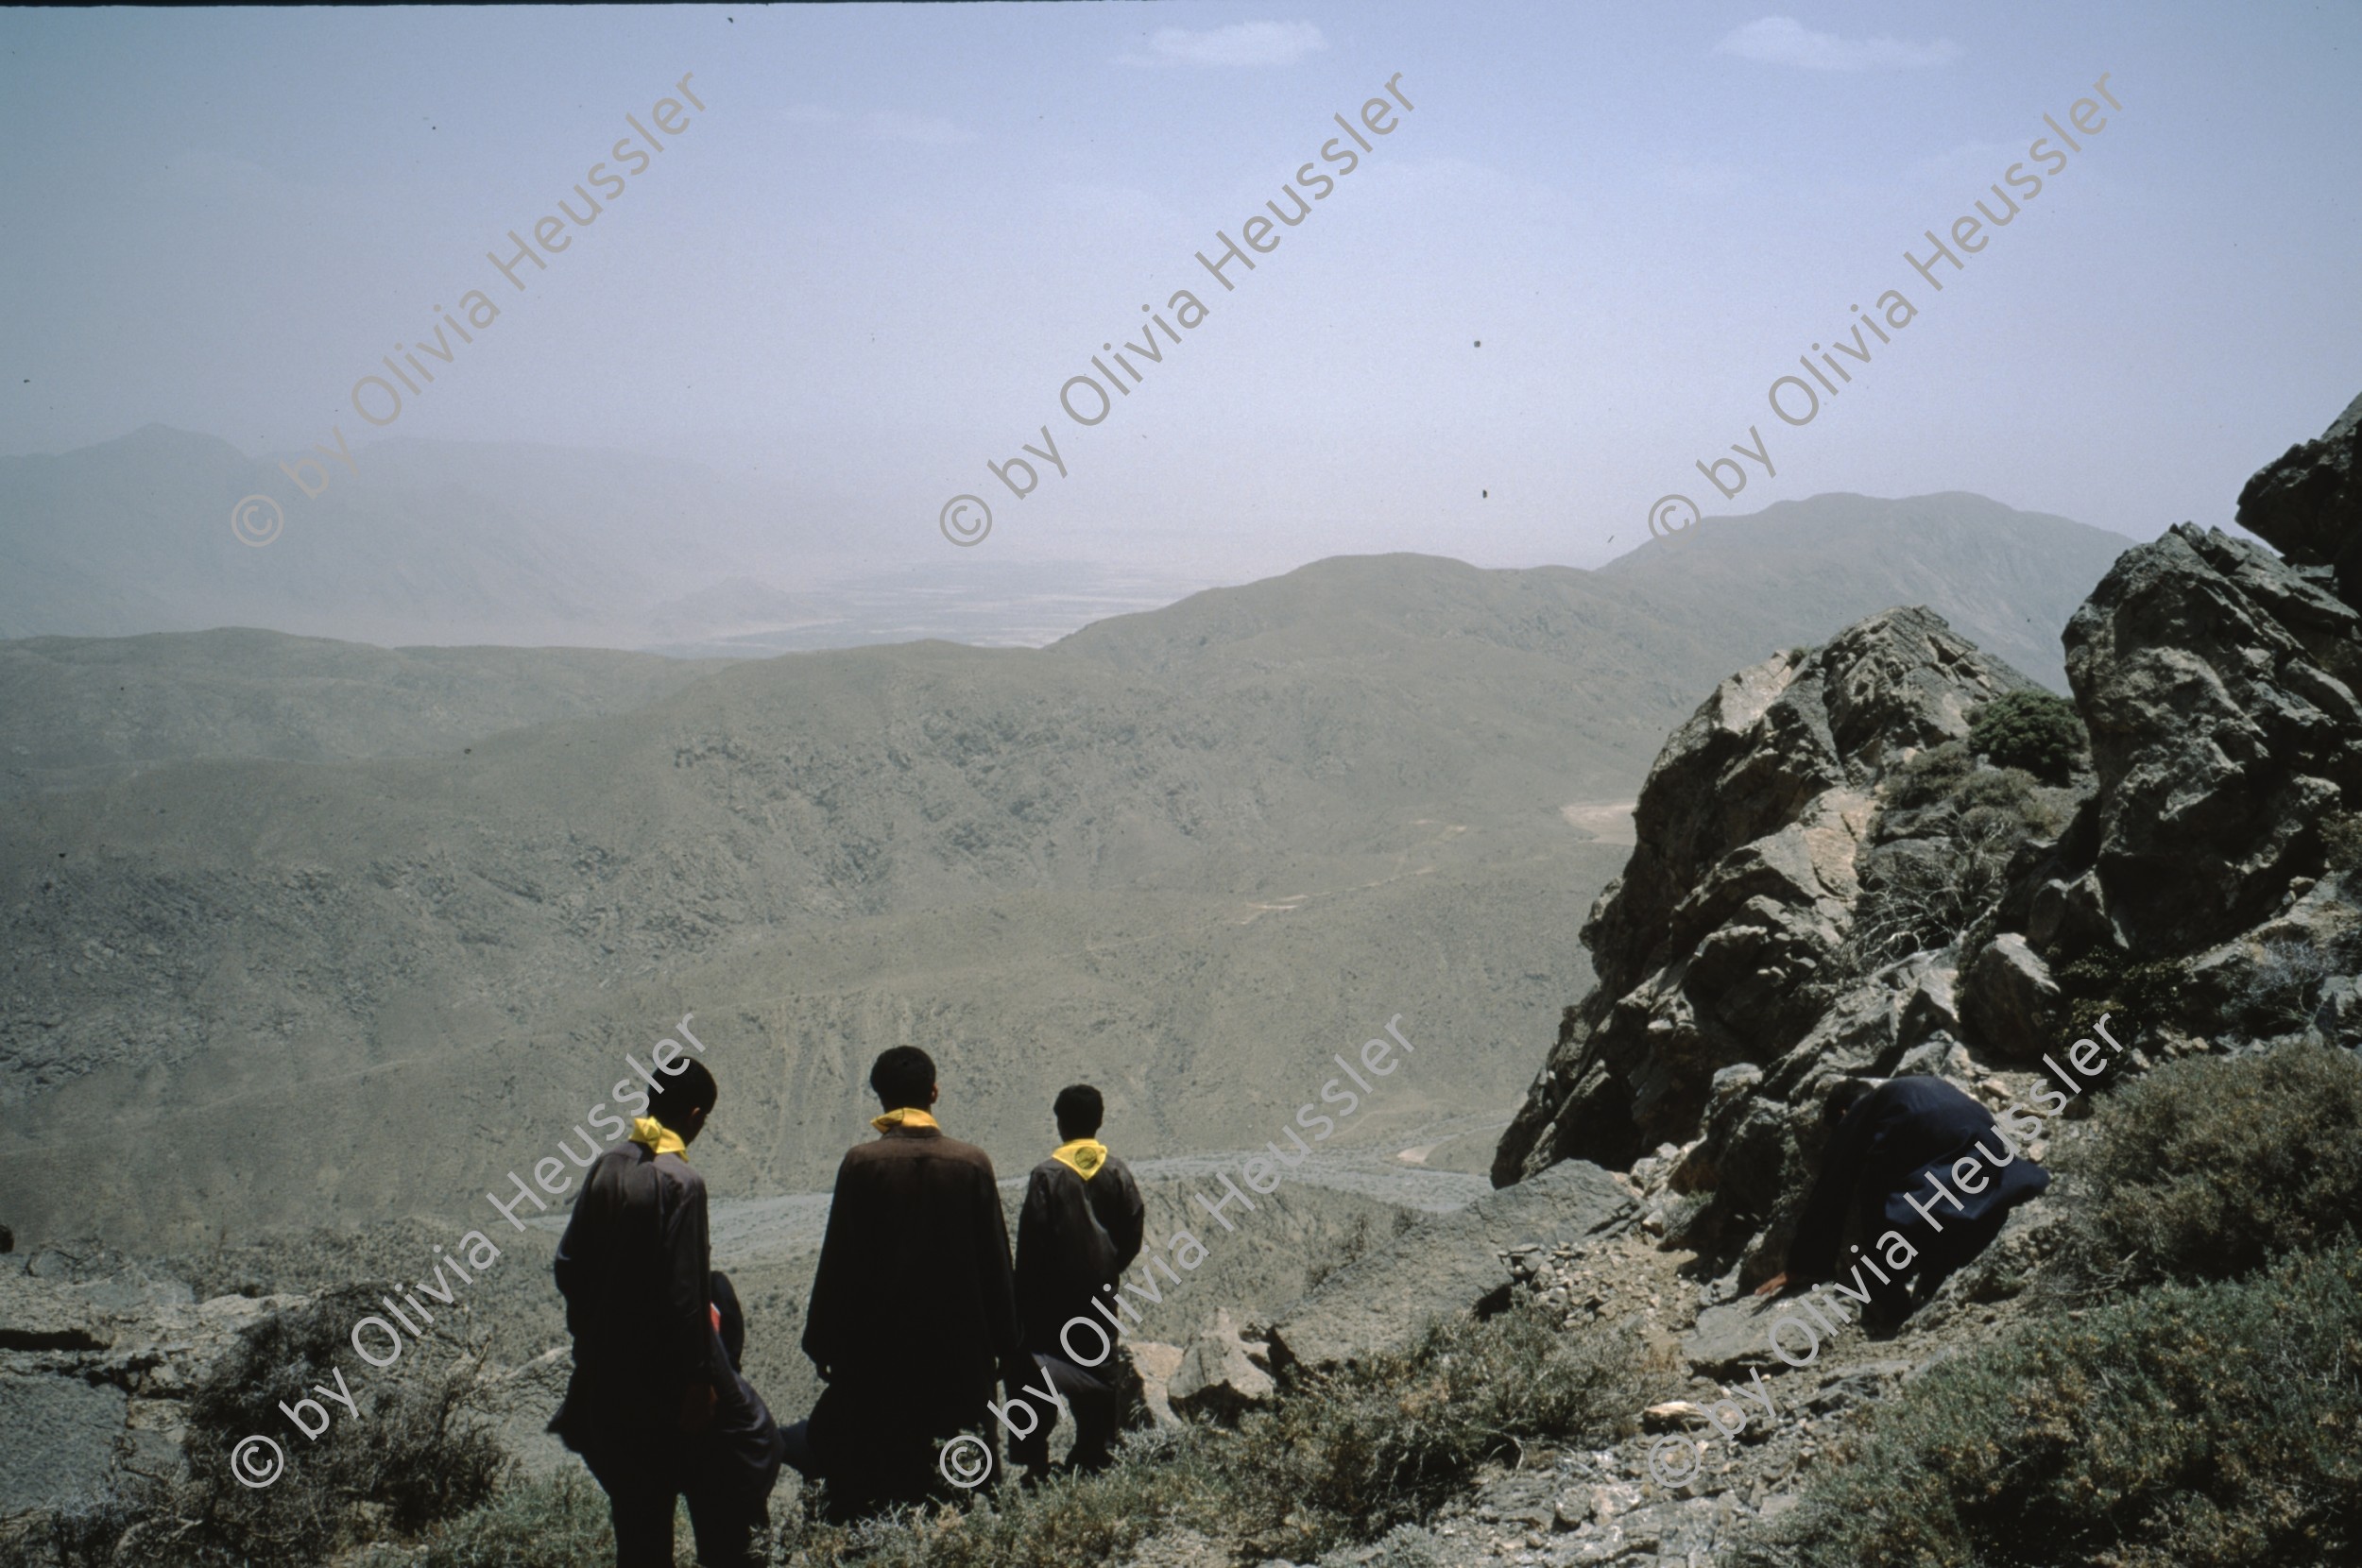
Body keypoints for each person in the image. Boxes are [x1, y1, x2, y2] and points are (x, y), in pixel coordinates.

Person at [550, 1058, 785, 1568]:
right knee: (752, 1447)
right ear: (696, 1115)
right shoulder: (682, 1182)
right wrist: (701, 1382)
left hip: (610, 1384)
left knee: (639, 1538)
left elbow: (568, 1263)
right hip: (669, 1388)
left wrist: (592, 1335)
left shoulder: (606, 1165)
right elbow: (684, 1296)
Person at [785, 1047, 1026, 1517]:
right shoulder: (972, 1163)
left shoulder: (861, 1165)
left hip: (879, 1363)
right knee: (960, 1482)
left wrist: (824, 1344)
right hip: (959, 1363)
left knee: (887, 1488)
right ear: (934, 1092)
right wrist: (1006, 1345)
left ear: (880, 1098)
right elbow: (996, 1265)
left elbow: (839, 1263)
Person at [1756, 1075, 2049, 1328]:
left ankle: (1892, 1307)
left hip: (1949, 1143)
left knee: (1879, 1199)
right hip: (1986, 1136)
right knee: (1931, 1193)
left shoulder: (1859, 1112)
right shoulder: (1904, 1094)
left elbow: (1833, 1184)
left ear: (1844, 1112)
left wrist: (1803, 1263)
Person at [1010, 1084, 1146, 1478]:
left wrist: (1025, 1301)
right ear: (1099, 1120)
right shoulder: (1117, 1171)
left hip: (1046, 1305)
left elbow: (1032, 1245)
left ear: (1060, 1122)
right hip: (1099, 1300)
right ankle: (1094, 1457)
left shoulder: (1046, 1176)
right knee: (1099, 1377)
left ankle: (1035, 1464)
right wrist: (1106, 1271)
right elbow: (1131, 1233)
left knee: (1034, 1379)